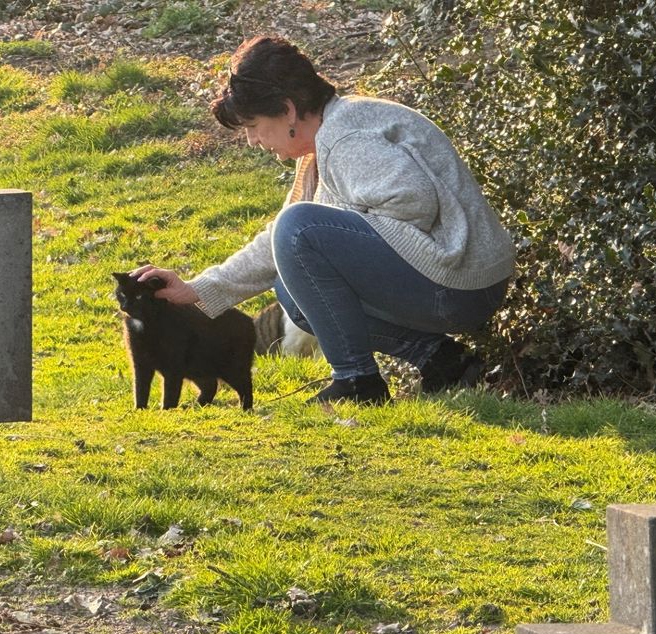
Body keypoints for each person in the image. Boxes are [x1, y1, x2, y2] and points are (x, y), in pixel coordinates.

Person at [133, 36, 514, 404]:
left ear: (287, 110)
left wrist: (343, 232)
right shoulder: (323, 145)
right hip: (454, 283)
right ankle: (441, 359)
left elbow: (414, 202)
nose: (252, 140)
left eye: (252, 125)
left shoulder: (346, 138)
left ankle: (357, 380)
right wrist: (197, 290)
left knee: (301, 229)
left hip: (458, 281)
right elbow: (281, 245)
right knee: (292, 287)